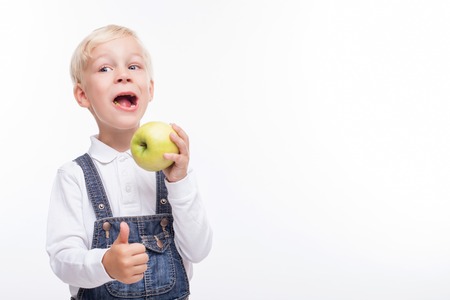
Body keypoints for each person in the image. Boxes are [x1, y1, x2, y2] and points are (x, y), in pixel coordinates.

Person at [46, 24, 213, 300]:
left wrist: (180, 182)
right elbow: (62, 259)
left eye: (133, 66)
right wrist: (104, 264)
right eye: (105, 69)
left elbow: (199, 250)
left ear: (149, 89)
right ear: (83, 95)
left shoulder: (171, 170)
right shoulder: (73, 175)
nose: (123, 75)